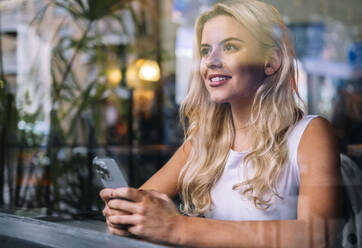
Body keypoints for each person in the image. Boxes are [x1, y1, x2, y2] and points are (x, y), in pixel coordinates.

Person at [100, 0, 344, 247]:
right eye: (206, 51)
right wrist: (126, 212)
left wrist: (176, 227)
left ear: (270, 61)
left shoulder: (311, 133)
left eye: (229, 47)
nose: (211, 61)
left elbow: (316, 235)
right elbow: (139, 203)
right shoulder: (204, 142)